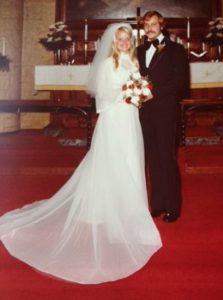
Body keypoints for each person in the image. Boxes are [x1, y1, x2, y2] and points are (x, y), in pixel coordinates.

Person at [0, 23, 162, 285]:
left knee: (132, 161)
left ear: (131, 42)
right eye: (119, 39)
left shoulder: (133, 62)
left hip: (130, 120)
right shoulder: (109, 64)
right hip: (114, 120)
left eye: (126, 39)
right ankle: (107, 207)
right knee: (112, 162)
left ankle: (130, 207)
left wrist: (139, 93)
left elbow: (137, 91)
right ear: (113, 42)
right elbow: (104, 96)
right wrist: (127, 93)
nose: (123, 43)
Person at [137, 11, 189, 223]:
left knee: (167, 158)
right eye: (146, 25)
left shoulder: (176, 49)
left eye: (153, 24)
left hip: (166, 111)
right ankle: (157, 204)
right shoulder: (139, 50)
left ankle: (172, 207)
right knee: (151, 158)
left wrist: (153, 93)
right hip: (144, 113)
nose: (150, 28)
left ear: (162, 26)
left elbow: (181, 83)